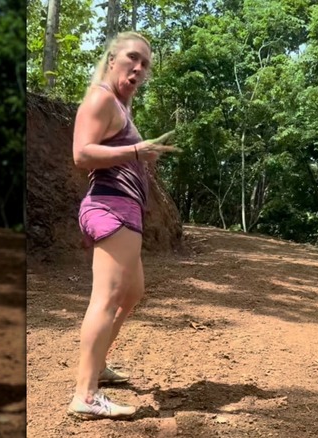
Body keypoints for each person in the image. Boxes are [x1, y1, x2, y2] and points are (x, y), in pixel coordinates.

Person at [68, 31, 178, 419]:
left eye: (145, 64)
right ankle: (85, 394)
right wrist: (135, 150)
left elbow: (112, 152)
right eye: (133, 58)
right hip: (109, 207)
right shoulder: (100, 97)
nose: (139, 68)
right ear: (112, 58)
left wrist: (140, 156)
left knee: (131, 294)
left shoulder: (121, 107)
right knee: (108, 297)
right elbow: (82, 154)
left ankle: (97, 366)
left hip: (124, 211)